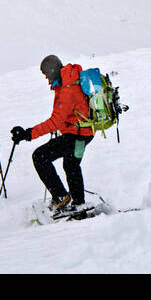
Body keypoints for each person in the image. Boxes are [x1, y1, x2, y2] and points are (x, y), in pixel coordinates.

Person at [11, 55, 94, 213]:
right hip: (82, 134)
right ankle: (78, 203)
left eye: (47, 74)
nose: (47, 79)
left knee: (40, 156)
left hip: (78, 135)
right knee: (71, 165)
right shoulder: (67, 83)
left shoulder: (68, 89)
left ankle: (61, 197)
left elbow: (55, 121)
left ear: (53, 70)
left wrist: (28, 134)